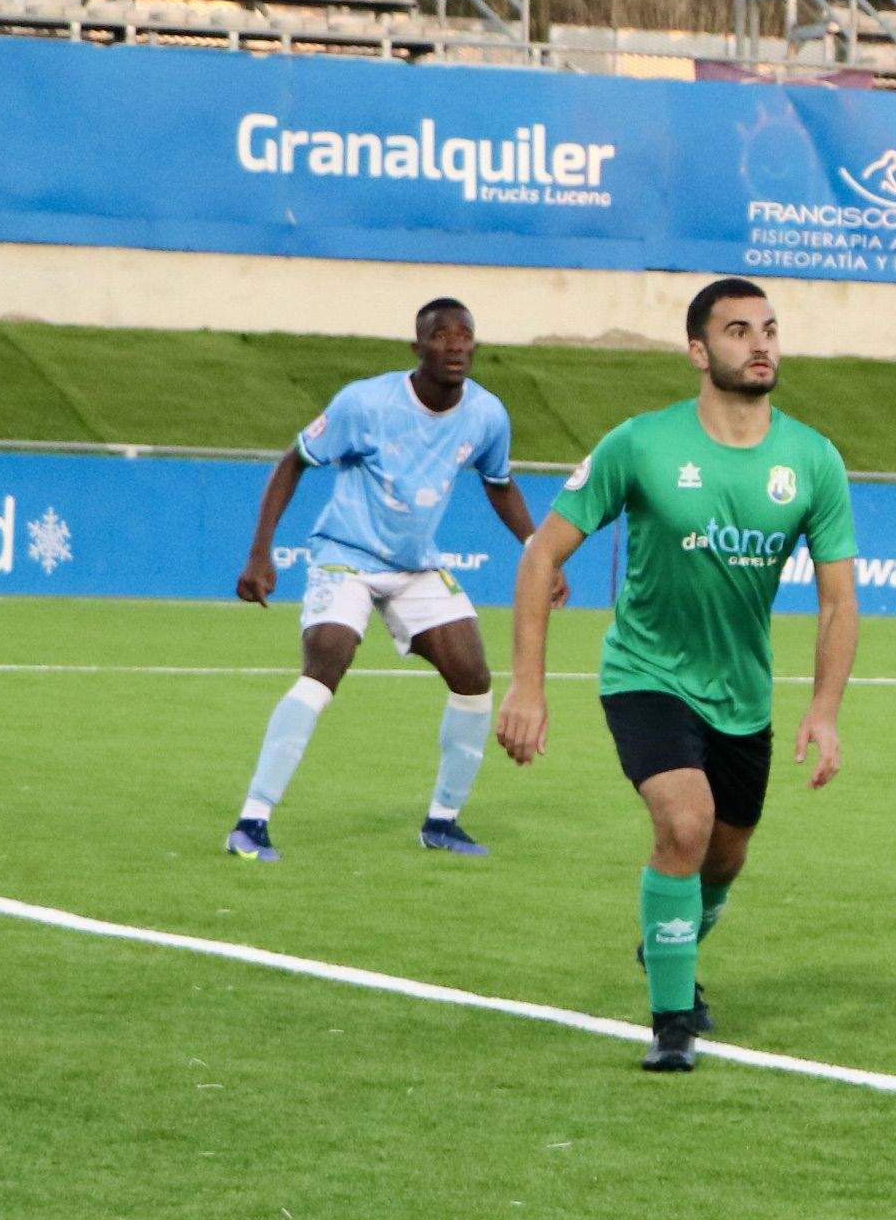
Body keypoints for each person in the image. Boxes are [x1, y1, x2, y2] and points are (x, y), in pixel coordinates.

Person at [497, 279, 860, 1073]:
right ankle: (672, 1020)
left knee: (722, 861)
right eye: (737, 331)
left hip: (743, 695)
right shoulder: (640, 444)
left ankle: (668, 938)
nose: (760, 344)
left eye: (768, 329)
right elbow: (541, 555)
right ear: (698, 351)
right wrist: (528, 685)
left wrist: (824, 711)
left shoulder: (813, 460)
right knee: (685, 827)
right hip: (647, 674)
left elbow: (838, 601)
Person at [226, 298, 542, 860]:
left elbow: (498, 482)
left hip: (415, 565)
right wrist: (260, 554)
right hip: (345, 555)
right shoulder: (365, 402)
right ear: (416, 347)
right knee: (326, 663)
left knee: (473, 675)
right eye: (441, 336)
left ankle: (442, 823)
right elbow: (293, 461)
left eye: (465, 335)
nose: (456, 345)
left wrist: (538, 550)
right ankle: (251, 824)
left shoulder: (488, 414)